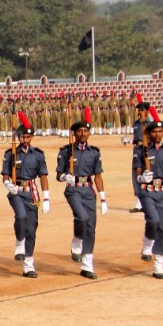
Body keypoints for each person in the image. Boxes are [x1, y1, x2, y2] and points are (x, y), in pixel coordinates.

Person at [55, 115, 106, 279]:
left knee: (91, 228)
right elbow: (58, 175)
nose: (83, 134)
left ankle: (87, 265)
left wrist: (103, 198)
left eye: (85, 131)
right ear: (75, 134)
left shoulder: (94, 153)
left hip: (88, 190)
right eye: (79, 131)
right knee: (82, 218)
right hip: (73, 189)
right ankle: (77, 239)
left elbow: (98, 176)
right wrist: (64, 177)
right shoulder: (66, 151)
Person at [1, 115, 50, 277]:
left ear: (32, 137)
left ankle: (28, 264)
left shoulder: (38, 155)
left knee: (32, 229)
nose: (25, 139)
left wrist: (47, 197)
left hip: (31, 192)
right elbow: (5, 175)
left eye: (28, 137)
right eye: (22, 136)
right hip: (16, 191)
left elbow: (43, 176)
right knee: (21, 217)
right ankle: (19, 241)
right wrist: (8, 184)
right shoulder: (10, 154)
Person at [133, 118, 163, 278]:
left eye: (160, 131)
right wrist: (142, 178)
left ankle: (159, 264)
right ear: (148, 133)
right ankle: (147, 241)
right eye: (154, 132)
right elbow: (137, 174)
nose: (157, 134)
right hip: (147, 191)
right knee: (154, 220)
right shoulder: (140, 151)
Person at [129, 101, 152, 212]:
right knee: (136, 173)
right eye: (138, 110)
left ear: (147, 111)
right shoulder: (136, 123)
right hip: (137, 150)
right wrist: (129, 141)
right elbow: (135, 138)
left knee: (148, 172)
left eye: (142, 110)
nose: (140, 112)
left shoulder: (151, 123)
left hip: (148, 149)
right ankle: (139, 201)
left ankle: (149, 200)